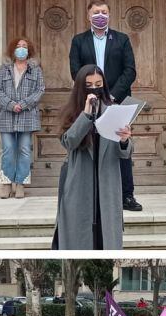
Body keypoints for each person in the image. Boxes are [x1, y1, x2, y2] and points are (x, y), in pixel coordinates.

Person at [69, 0, 141, 212]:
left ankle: (127, 195)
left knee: (121, 142)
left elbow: (130, 70)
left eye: (104, 12)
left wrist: (111, 95)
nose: (100, 16)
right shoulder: (79, 40)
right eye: (96, 12)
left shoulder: (121, 39)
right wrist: (92, 94)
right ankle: (91, 192)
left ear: (109, 15)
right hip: (88, 102)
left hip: (116, 101)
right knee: (90, 145)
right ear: (88, 16)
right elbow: (75, 70)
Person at [53, 65, 133, 250]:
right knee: (80, 238)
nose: (94, 89)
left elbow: (126, 152)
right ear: (81, 87)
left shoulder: (114, 110)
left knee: (106, 239)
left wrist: (124, 140)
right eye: (89, 85)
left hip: (107, 183)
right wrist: (86, 114)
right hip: (80, 183)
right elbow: (69, 142)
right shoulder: (72, 111)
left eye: (98, 84)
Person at [0, 37, 45, 198]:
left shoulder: (35, 69)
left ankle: (21, 183)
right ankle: (7, 183)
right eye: (18, 46)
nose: (21, 48)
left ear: (29, 50)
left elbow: (40, 89)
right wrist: (10, 104)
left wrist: (23, 104)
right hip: (6, 115)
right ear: (13, 49)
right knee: (8, 149)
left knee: (24, 149)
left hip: (27, 115)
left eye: (24, 46)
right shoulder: (5, 68)